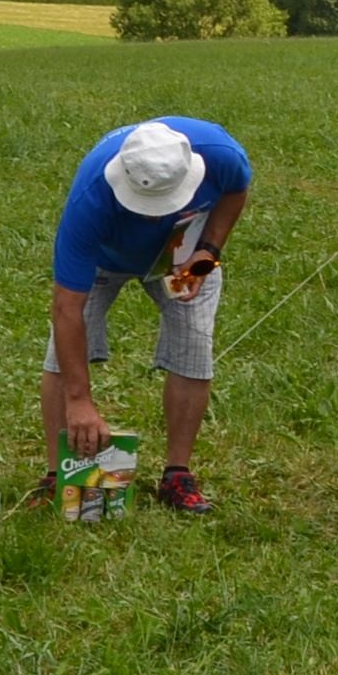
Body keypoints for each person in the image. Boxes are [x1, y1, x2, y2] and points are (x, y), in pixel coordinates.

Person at [37, 117, 251, 514]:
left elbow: (237, 191)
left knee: (194, 346)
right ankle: (57, 476)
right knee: (60, 358)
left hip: (183, 253)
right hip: (105, 259)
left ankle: (177, 475)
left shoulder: (222, 156)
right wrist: (79, 400)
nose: (153, 216)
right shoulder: (91, 196)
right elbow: (67, 308)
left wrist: (208, 252)